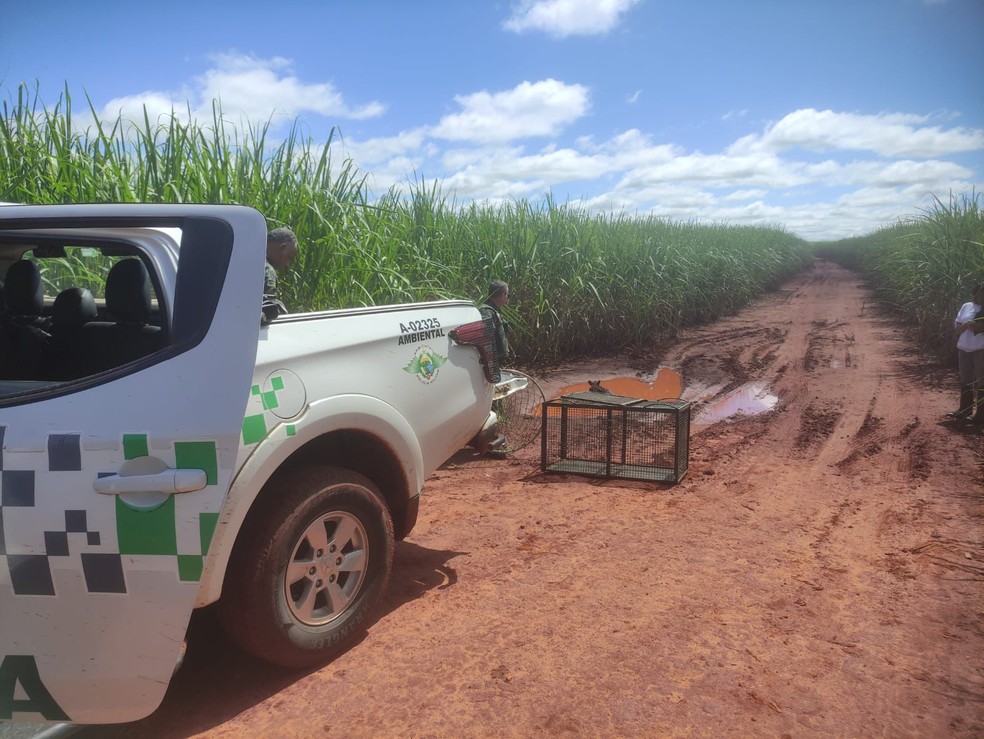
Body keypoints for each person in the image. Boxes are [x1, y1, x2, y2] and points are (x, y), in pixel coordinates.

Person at [948, 282, 984, 424]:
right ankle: (964, 410)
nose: (980, 295)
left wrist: (980, 326)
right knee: (965, 380)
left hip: (981, 350)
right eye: (979, 292)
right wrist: (966, 325)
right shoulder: (966, 306)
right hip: (964, 348)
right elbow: (956, 327)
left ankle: (980, 415)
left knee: (981, 382)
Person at [263, 227, 298, 320]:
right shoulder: (267, 270)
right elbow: (267, 307)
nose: (287, 264)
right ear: (282, 248)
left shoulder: (246, 258)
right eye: (289, 257)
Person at [480, 280, 510, 363]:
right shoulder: (486, 311)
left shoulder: (493, 310)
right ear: (503, 295)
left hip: (496, 359)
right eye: (508, 295)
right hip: (491, 361)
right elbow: (486, 336)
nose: (507, 298)